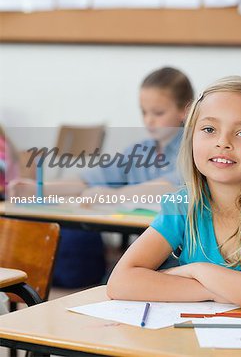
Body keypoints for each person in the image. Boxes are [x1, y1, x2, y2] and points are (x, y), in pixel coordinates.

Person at [107, 75, 241, 313]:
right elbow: (121, 282)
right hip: (201, 339)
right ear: (191, 139)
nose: (223, 142)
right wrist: (211, 292)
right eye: (209, 129)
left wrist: (198, 271)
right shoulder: (184, 204)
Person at [8, 67, 194, 288]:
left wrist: (113, 195)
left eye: (158, 113)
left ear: (184, 110)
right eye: (144, 112)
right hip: (145, 253)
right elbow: (89, 179)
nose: (148, 120)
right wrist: (39, 189)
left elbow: (171, 185)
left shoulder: (194, 147)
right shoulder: (140, 150)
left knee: (113, 282)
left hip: (180, 257)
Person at [0, 125, 19, 200]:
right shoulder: (6, 142)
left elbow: (3, 166)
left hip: (6, 193)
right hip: (11, 191)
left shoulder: (1, 143)